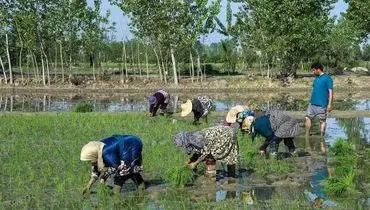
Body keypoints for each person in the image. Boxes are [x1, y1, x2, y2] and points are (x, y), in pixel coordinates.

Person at [80, 134, 144, 195]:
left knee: (123, 172)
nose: (90, 161)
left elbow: (116, 166)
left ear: (93, 154)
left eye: (90, 159)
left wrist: (103, 178)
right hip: (124, 146)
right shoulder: (97, 149)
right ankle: (141, 186)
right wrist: (88, 186)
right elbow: (96, 170)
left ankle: (117, 193)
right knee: (129, 170)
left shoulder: (106, 152)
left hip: (132, 144)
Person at [173, 125, 238, 180]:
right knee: (225, 155)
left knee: (211, 158)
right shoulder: (192, 138)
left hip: (225, 135)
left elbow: (205, 153)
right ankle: (231, 176)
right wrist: (191, 160)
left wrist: (195, 163)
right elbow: (199, 151)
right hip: (223, 132)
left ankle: (213, 179)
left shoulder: (198, 139)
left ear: (185, 142)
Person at [305, 63, 334, 138]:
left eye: (314, 70)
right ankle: (308, 135)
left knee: (322, 121)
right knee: (307, 118)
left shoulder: (327, 78)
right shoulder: (316, 78)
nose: (313, 72)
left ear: (318, 69)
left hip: (322, 104)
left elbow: (330, 92)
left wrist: (330, 104)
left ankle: (321, 137)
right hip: (312, 104)